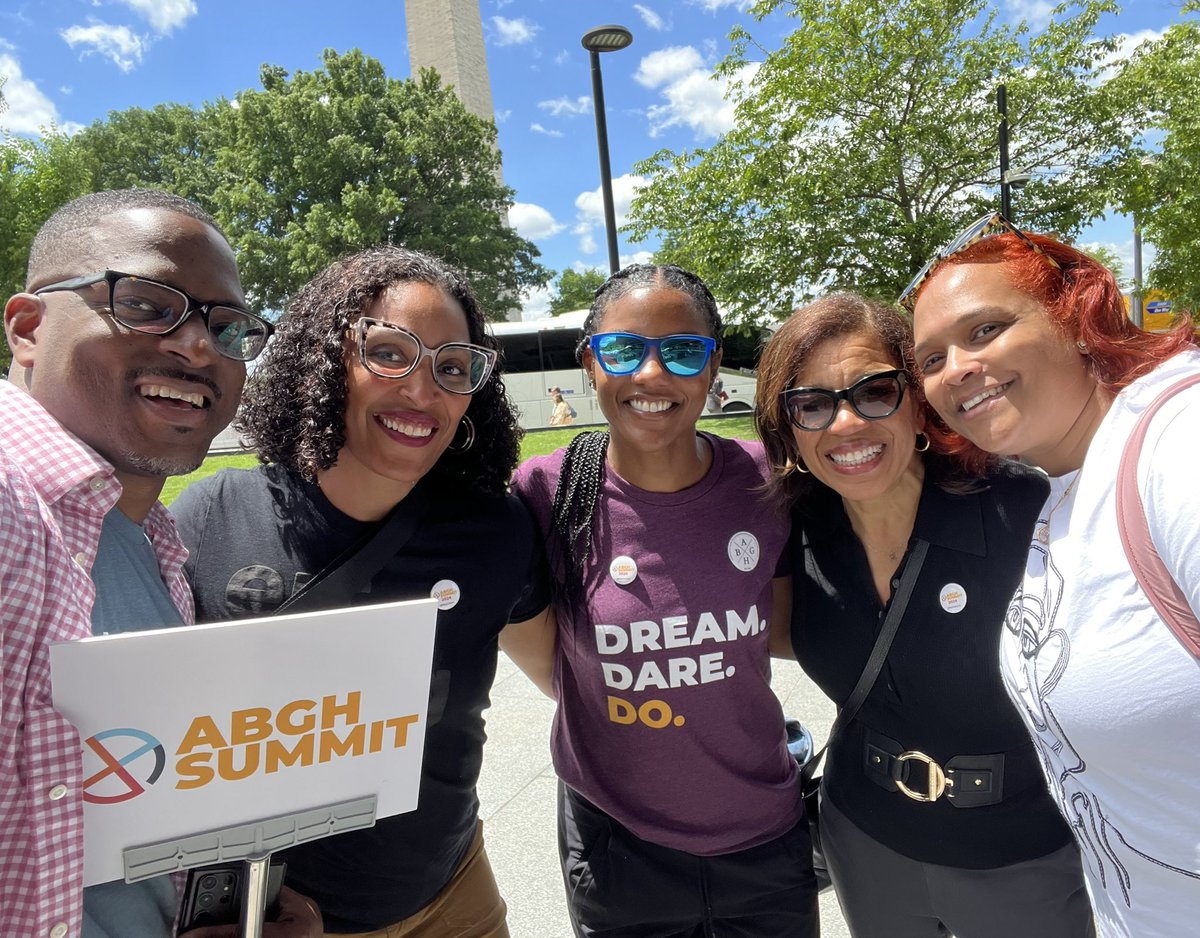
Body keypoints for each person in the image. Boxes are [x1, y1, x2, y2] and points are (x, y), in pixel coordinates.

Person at [170, 245, 552, 937]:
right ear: (328, 360)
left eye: (453, 367)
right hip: (289, 918)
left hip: (457, 892)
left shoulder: (494, 534)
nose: (422, 389)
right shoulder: (211, 519)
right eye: (389, 352)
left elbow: (567, 672)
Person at [0, 188, 319, 938]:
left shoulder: (154, 543)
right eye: (145, 304)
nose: (198, 345)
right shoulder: (12, 512)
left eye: (228, 325)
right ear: (27, 327)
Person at [754, 292, 1095, 938]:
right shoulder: (794, 530)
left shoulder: (1025, 510)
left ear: (918, 402)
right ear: (789, 429)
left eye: (875, 391)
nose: (846, 424)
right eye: (813, 405)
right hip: (866, 844)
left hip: (1024, 854)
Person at [907, 213, 1200, 938]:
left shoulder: (1175, 442)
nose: (957, 369)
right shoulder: (1064, 482)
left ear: (1076, 314)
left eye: (984, 331)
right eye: (931, 359)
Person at [507, 264, 818, 938]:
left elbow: (779, 631)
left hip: (765, 837)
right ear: (591, 363)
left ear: (711, 369)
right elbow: (554, 670)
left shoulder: (767, 480)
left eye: (682, 351)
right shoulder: (543, 492)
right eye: (624, 349)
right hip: (619, 850)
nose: (652, 374)